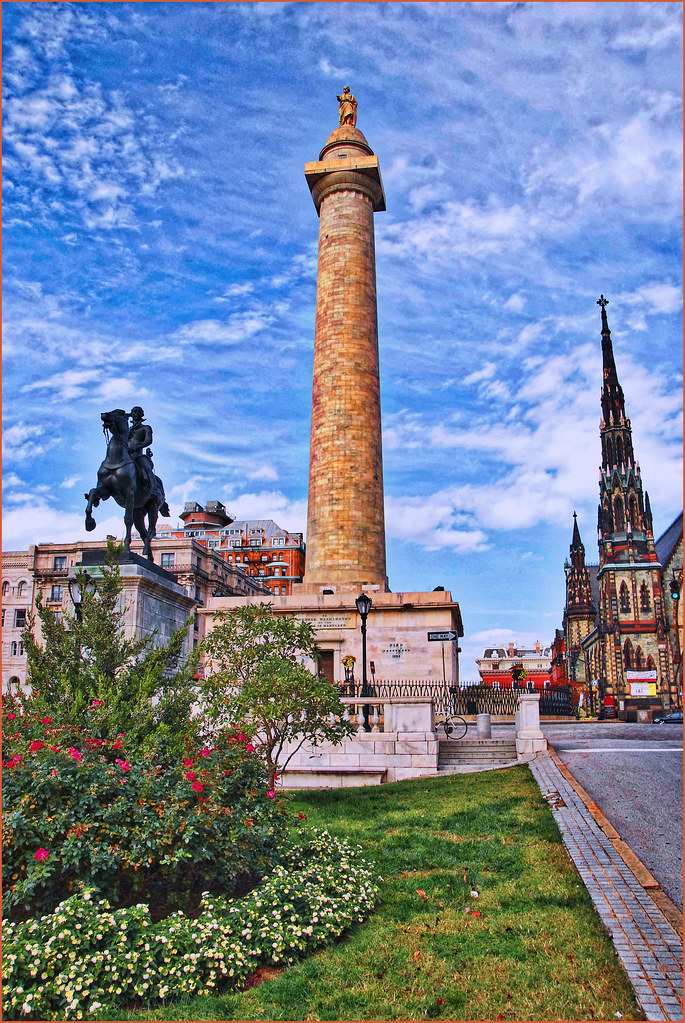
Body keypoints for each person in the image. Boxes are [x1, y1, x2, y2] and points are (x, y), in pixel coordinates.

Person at [128, 407, 170, 516]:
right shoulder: (128, 430)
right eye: (134, 412)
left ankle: (154, 490)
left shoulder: (145, 428)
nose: (136, 414)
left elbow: (148, 440)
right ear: (131, 415)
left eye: (138, 412)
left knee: (145, 466)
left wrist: (138, 446)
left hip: (138, 455)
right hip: (127, 456)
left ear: (142, 414)